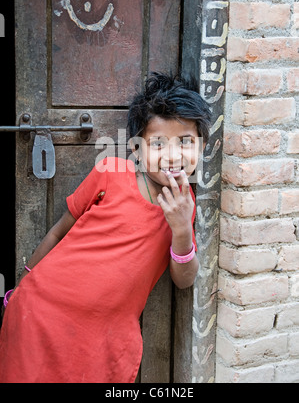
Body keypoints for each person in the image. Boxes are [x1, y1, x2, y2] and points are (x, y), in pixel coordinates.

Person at [0, 72, 211, 383]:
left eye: (185, 142)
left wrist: (181, 230)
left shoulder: (183, 202)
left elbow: (184, 279)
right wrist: (20, 290)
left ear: (201, 146)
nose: (173, 155)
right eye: (158, 144)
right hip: (41, 313)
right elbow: (60, 230)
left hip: (101, 338)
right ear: (137, 150)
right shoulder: (111, 172)